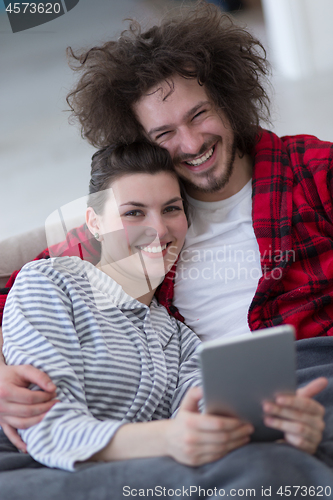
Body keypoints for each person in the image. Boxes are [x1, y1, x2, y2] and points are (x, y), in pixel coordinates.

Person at [0, 2, 333, 493]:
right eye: (164, 134)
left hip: (315, 367)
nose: (192, 141)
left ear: (227, 100)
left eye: (200, 114)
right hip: (205, 397)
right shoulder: (136, 220)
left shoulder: (312, 171)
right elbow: (23, 289)